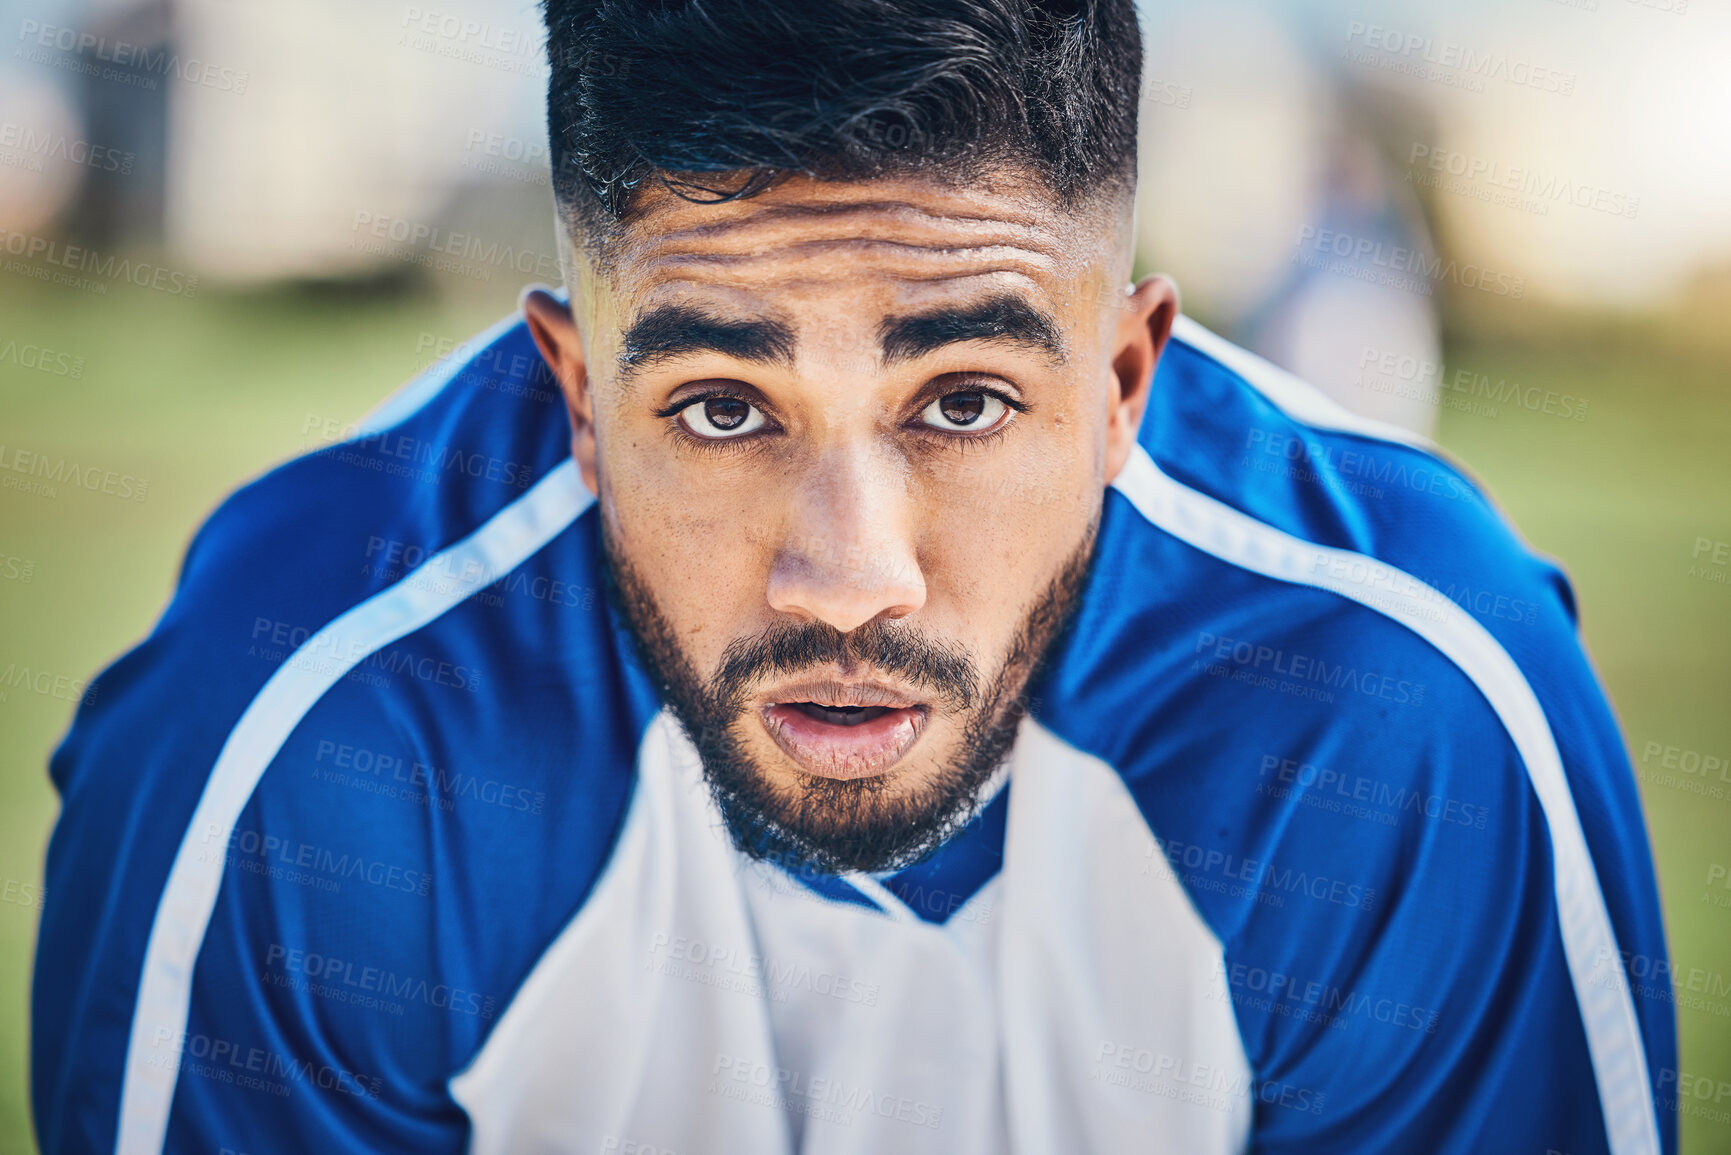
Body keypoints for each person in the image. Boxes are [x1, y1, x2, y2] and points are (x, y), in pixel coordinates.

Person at [32, 1, 1674, 1152]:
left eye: (963, 402)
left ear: (1122, 386)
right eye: (723, 408)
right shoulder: (297, 739)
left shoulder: (1401, 712)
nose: (846, 578)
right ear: (581, 403)